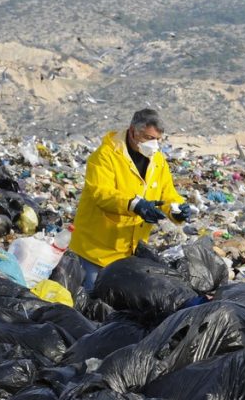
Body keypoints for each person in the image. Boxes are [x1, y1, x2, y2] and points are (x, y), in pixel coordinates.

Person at [69, 108, 191, 291]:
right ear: (134, 132)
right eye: (150, 138)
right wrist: (135, 205)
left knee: (116, 307)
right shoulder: (105, 156)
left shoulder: (157, 160)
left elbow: (166, 193)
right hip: (96, 250)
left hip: (130, 251)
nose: (155, 145)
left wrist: (176, 209)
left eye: (158, 139)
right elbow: (101, 193)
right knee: (92, 302)